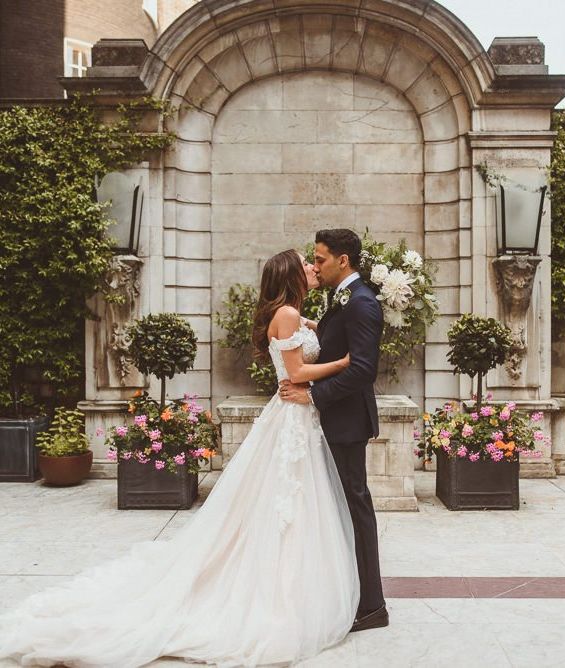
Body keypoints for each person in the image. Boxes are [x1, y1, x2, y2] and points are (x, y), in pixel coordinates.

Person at [0, 249, 359, 667]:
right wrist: (345, 362)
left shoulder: (291, 313)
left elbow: (305, 341)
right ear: (292, 275)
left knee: (285, 502)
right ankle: (278, 591)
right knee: (287, 502)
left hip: (296, 415)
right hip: (293, 413)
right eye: (307, 264)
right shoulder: (290, 316)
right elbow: (296, 373)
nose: (315, 268)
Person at [279, 228, 389, 633]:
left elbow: (362, 368)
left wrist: (314, 396)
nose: (316, 265)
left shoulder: (362, 303)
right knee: (339, 508)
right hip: (334, 420)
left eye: (321, 258)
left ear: (343, 260)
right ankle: (349, 592)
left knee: (355, 505)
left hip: (345, 422)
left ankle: (372, 605)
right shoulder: (344, 300)